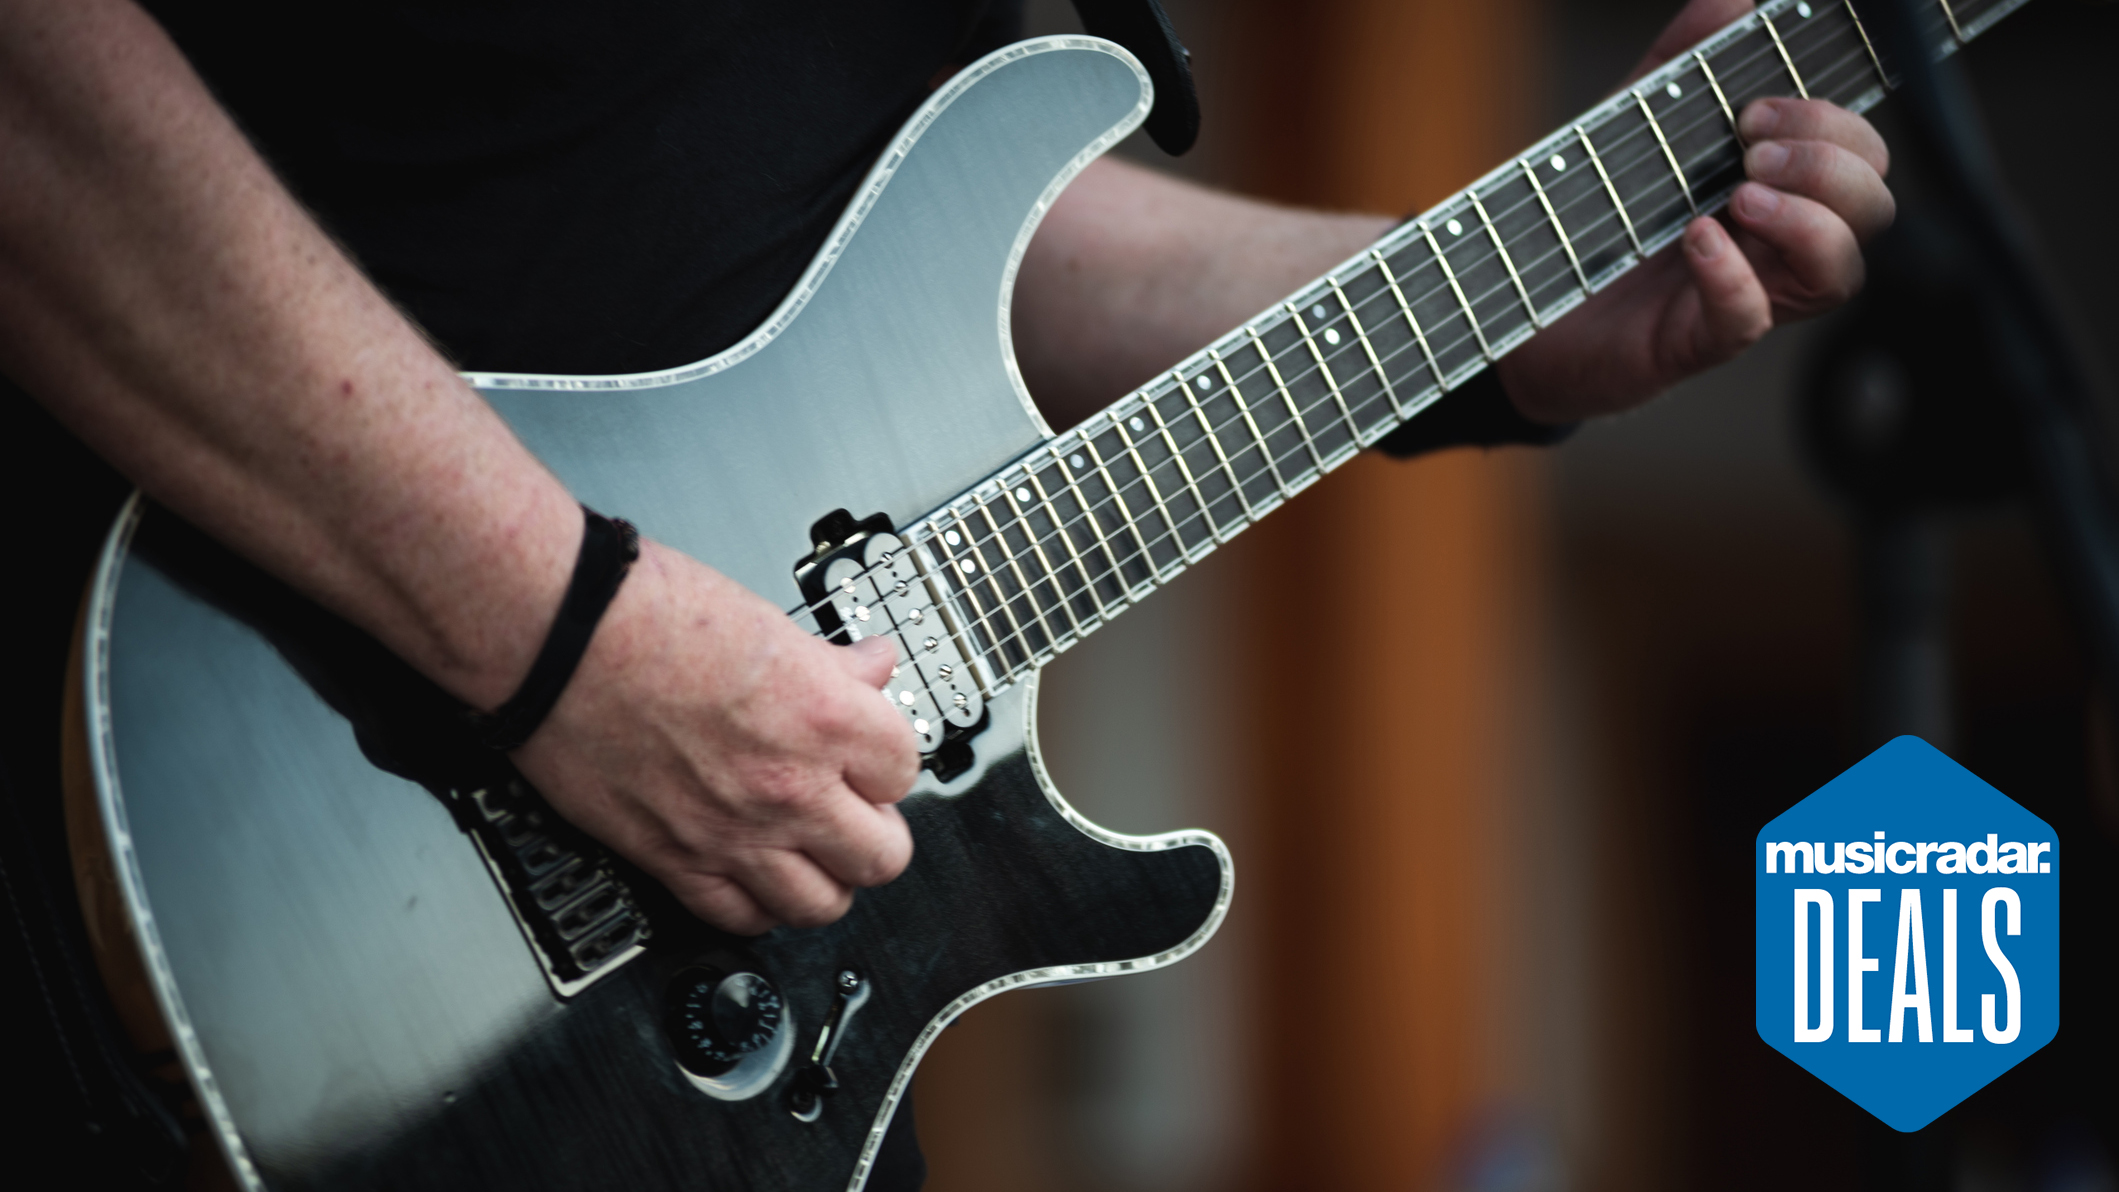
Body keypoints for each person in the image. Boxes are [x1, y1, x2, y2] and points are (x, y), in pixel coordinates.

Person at [0, 0, 1893, 1186]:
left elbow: (955, 228)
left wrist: (1510, 321)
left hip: (702, 1025)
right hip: (226, 785)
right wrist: (559, 633)